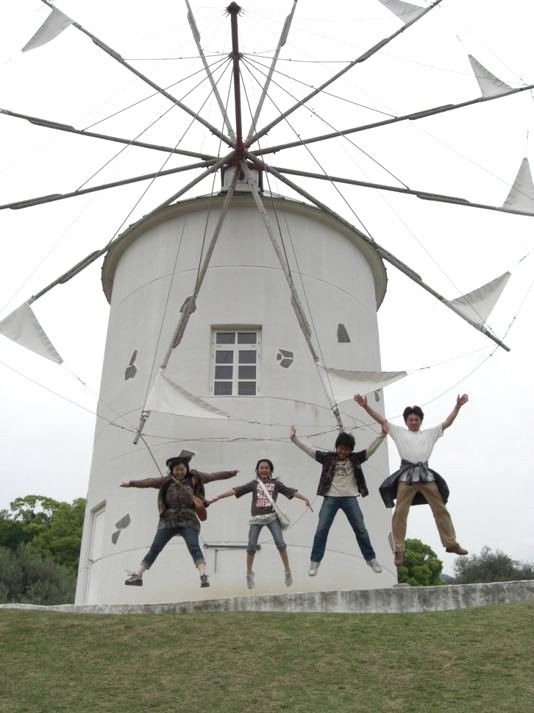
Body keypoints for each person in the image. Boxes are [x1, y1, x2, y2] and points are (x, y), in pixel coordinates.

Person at [354, 393, 469, 567]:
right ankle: (399, 550)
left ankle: (451, 543)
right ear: (406, 421)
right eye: (410, 419)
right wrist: (365, 406)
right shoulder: (399, 432)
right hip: (406, 478)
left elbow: (447, 423)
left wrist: (458, 407)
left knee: (440, 509)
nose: (413, 422)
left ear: (420, 421)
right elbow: (382, 421)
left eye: (416, 419)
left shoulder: (430, 434)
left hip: (426, 477)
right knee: (400, 513)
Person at [120, 456, 238, 588]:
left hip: (188, 520)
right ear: (172, 470)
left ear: (186, 468)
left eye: (182, 469)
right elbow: (149, 482)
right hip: (168, 521)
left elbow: (213, 476)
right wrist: (131, 483)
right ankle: (138, 575)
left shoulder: (195, 478)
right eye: (176, 470)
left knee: (194, 547)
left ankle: (203, 575)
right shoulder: (166, 481)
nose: (180, 472)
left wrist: (231, 473)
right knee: (155, 548)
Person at [289, 425, 386, 577]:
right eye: (341, 448)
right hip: (331, 498)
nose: (343, 452)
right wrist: (295, 439)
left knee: (360, 529)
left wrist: (383, 434)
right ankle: (315, 561)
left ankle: (371, 559)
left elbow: (370, 449)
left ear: (350, 450)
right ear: (337, 447)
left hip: (350, 498)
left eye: (347, 449)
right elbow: (310, 450)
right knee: (322, 529)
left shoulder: (355, 459)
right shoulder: (328, 458)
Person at [208, 458, 312, 590]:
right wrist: (217, 497)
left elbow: (290, 491)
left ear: (271, 470)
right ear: (257, 470)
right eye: (261, 468)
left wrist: (305, 498)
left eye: (266, 468)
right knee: (251, 546)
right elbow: (236, 490)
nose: (264, 470)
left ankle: (287, 570)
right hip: (256, 519)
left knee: (280, 543)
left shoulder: (276, 484)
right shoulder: (254, 484)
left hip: (271, 517)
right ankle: (249, 573)